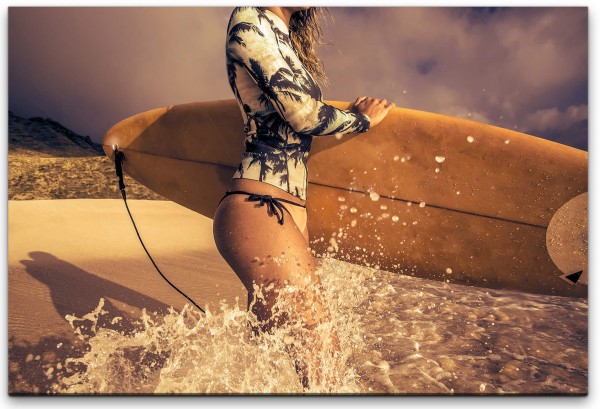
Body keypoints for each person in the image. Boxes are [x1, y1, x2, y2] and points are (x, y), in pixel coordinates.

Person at [212, 6, 394, 390]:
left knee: (277, 360)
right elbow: (302, 114)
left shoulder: (284, 39)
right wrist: (361, 120)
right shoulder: (249, 18)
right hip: (258, 208)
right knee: (321, 349)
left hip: (290, 216)